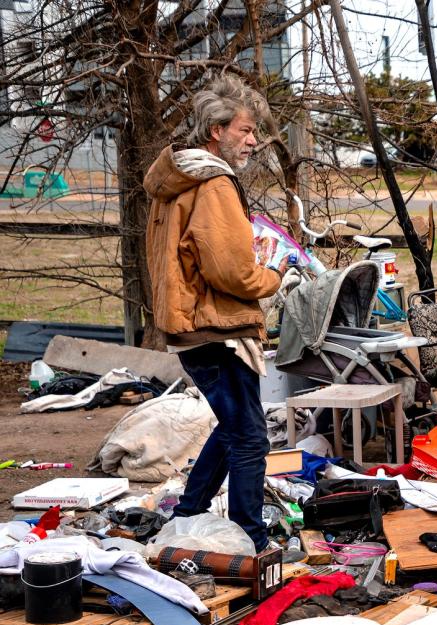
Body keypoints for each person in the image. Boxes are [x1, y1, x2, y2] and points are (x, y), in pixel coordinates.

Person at [143, 74, 282, 552]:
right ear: (215, 131)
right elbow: (233, 273)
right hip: (218, 330)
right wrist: (277, 275)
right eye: (244, 130)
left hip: (193, 329)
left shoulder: (178, 178)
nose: (253, 140)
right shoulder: (214, 182)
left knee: (233, 426)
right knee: (249, 438)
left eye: (253, 131)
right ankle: (252, 542)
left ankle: (188, 515)